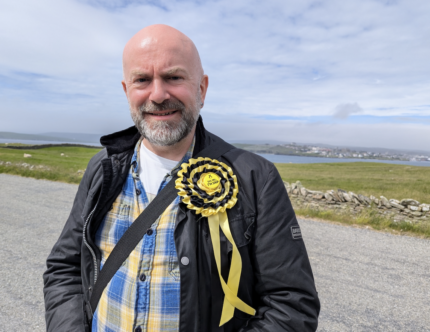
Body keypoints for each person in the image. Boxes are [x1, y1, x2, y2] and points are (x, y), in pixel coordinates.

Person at [43, 24, 320, 332]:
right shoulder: (102, 168)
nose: (158, 95)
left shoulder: (255, 177)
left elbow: (291, 304)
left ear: (201, 88)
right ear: (126, 91)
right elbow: (64, 269)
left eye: (173, 77)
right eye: (142, 80)